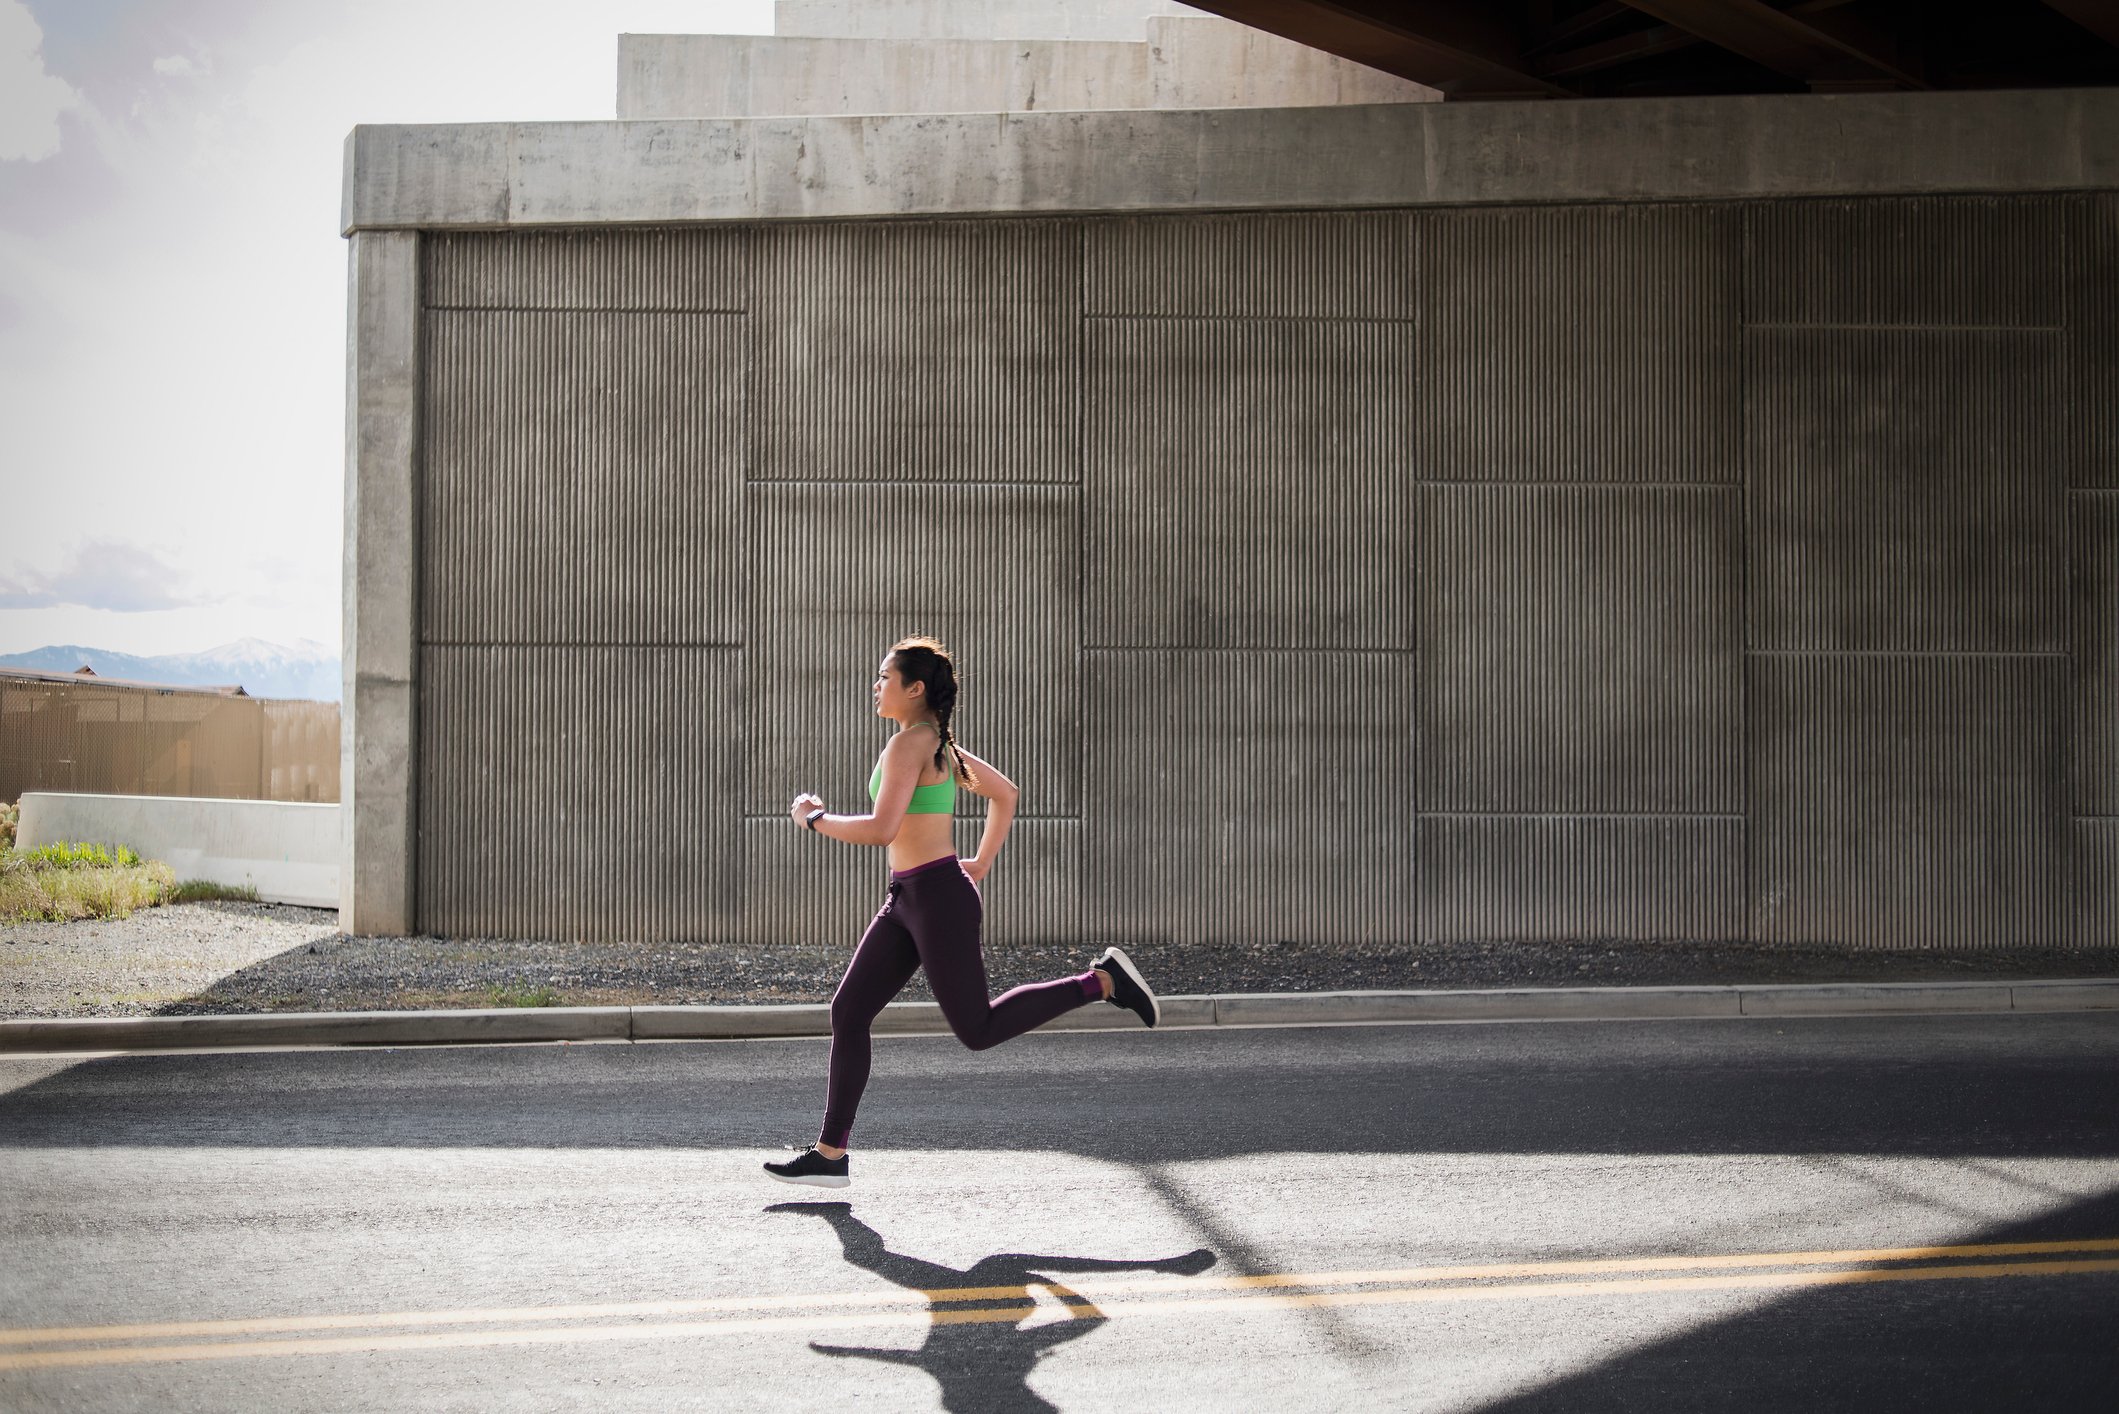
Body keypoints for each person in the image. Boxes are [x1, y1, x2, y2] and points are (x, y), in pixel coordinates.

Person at [766, 634, 1158, 1189]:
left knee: (978, 1028)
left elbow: (882, 829)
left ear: (915, 688)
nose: (877, 686)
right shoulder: (936, 743)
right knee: (849, 1012)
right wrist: (979, 864)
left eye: (885, 677)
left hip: (935, 898)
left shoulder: (911, 746)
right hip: (911, 897)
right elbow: (1007, 794)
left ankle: (1101, 982)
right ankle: (831, 1155)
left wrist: (814, 819)